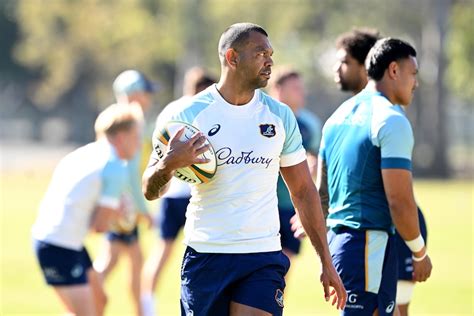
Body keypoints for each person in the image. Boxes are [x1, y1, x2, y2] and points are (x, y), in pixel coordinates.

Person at [142, 22, 346, 316]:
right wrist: (167, 165)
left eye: (271, 53)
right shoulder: (186, 116)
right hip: (207, 254)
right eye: (260, 52)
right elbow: (151, 189)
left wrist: (326, 262)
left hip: (262, 255)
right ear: (232, 58)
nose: (270, 60)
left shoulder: (279, 117)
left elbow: (302, 190)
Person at [317, 38, 433, 315]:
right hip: (370, 245)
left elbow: (321, 193)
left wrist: (326, 255)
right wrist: (419, 252)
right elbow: (400, 201)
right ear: (394, 70)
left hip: (341, 243)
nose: (415, 83)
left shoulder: (336, 117)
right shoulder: (391, 119)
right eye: (413, 73)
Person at [32, 103, 143, 316]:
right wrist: (117, 214)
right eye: (136, 136)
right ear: (121, 137)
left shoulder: (83, 153)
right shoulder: (116, 167)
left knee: (99, 300)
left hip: (64, 242)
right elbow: (99, 227)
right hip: (57, 246)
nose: (139, 144)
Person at [140, 67, 216, 316]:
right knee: (202, 253)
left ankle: (147, 307)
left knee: (162, 251)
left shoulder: (169, 110)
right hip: (194, 193)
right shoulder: (205, 110)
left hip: (170, 192)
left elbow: (156, 153)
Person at [93, 69, 155, 316]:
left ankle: (141, 311)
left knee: (134, 260)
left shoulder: (109, 117)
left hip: (114, 200)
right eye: (146, 92)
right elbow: (128, 172)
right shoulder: (132, 121)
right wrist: (143, 209)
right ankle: (83, 303)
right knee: (109, 262)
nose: (149, 98)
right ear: (135, 94)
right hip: (123, 204)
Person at [268, 67, 322, 262]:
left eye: (302, 88)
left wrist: (313, 166)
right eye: (295, 88)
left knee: (284, 266)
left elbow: (314, 160)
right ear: (278, 89)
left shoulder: (310, 124)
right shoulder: (262, 118)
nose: (302, 92)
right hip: (262, 206)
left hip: (292, 207)